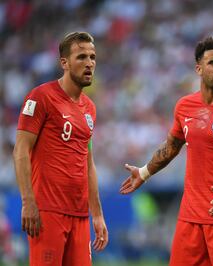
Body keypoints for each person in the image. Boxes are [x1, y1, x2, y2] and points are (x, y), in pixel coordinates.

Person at [120, 36, 213, 266]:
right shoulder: (185, 106)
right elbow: (171, 147)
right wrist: (144, 172)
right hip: (190, 217)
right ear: (199, 68)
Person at [13, 32, 108, 266]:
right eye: (82, 57)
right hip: (47, 212)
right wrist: (28, 202)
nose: (89, 63)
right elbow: (21, 150)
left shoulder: (89, 109)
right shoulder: (41, 97)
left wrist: (96, 214)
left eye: (93, 57)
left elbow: (88, 163)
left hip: (79, 216)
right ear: (64, 63)